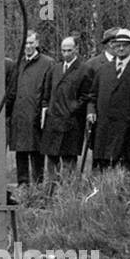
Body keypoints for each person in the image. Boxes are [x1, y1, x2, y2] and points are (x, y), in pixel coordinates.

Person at [88, 28, 130, 171]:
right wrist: (91, 111)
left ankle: (122, 191)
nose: (121, 48)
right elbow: (92, 96)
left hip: (128, 126)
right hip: (104, 126)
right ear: (112, 46)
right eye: (117, 45)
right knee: (102, 165)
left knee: (124, 165)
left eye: (125, 45)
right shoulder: (103, 69)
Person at [41, 35, 92, 182]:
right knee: (51, 160)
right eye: (63, 51)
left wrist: (72, 109)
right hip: (53, 121)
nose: (66, 54)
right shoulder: (54, 69)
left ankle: (68, 194)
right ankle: (51, 192)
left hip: (71, 123)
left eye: (69, 50)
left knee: (69, 161)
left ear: (76, 49)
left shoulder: (84, 70)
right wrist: (48, 110)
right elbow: (47, 93)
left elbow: (86, 96)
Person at [7, 31, 53, 185]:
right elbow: (12, 90)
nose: (28, 46)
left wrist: (43, 111)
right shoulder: (18, 64)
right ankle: (23, 184)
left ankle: (38, 185)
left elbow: (48, 90)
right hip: (18, 115)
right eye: (25, 43)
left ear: (37, 43)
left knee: (36, 151)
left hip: (36, 114)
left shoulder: (47, 63)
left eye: (31, 43)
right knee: (20, 152)